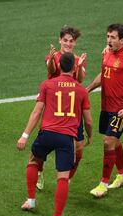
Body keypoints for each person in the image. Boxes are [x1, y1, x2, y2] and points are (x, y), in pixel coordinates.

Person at [17, 52, 93, 216]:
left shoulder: (47, 85)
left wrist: (24, 135)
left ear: (59, 66)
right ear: (75, 68)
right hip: (66, 138)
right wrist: (89, 135)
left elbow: (37, 112)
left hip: (47, 134)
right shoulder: (81, 90)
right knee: (63, 177)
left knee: (33, 162)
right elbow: (88, 120)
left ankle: (30, 200)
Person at [86, 24, 123, 198]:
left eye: (113, 37)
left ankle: (103, 184)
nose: (109, 40)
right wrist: (86, 90)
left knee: (108, 141)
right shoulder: (106, 53)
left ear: (122, 40)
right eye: (108, 36)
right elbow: (103, 76)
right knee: (113, 141)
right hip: (106, 106)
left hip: (120, 109)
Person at [36, 26, 88, 190]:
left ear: (75, 42)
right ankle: (39, 172)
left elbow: (79, 81)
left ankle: (67, 178)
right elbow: (51, 72)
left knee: (78, 150)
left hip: (73, 109)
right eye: (65, 40)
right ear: (60, 40)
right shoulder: (53, 56)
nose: (67, 43)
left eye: (71, 41)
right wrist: (51, 60)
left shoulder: (78, 59)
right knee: (42, 147)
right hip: (54, 107)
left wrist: (79, 66)